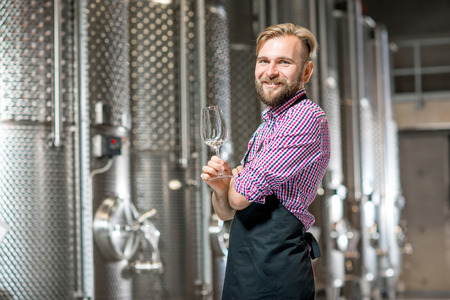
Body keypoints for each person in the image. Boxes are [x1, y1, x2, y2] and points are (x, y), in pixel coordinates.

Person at [201, 23, 330, 300]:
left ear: (306, 71)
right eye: (264, 61)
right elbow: (226, 211)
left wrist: (236, 185)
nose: (270, 72)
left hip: (276, 277)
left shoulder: (305, 118)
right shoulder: (267, 127)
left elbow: (239, 199)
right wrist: (222, 186)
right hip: (244, 271)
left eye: (284, 62)